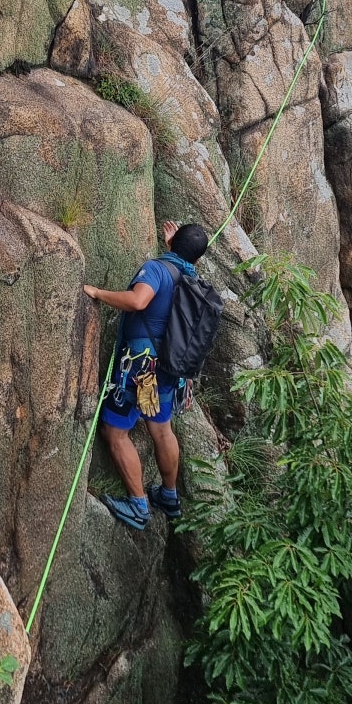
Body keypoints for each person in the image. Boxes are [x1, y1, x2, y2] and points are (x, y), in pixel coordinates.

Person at [83, 220, 210, 531]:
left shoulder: (156, 269)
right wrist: (176, 246)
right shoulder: (191, 278)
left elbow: (138, 301)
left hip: (140, 368)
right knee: (162, 429)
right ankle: (169, 496)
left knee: (115, 432)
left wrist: (98, 293)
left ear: (173, 242)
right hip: (170, 371)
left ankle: (138, 505)